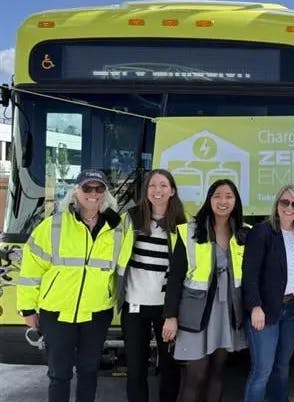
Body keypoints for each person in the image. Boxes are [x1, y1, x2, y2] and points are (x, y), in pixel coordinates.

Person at [16, 169, 123, 402]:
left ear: (106, 193)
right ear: (76, 191)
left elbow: (122, 270)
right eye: (87, 188)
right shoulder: (53, 225)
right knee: (59, 374)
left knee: (89, 371)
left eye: (99, 189)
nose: (93, 194)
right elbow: (31, 270)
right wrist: (27, 308)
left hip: (96, 314)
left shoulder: (117, 230)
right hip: (56, 313)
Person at [162, 179, 248, 402]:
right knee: (195, 376)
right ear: (209, 199)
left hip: (227, 314)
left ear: (236, 201)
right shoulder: (189, 232)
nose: (223, 201)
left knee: (217, 374)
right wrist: (171, 316)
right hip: (195, 314)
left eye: (229, 196)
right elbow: (175, 278)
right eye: (217, 195)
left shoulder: (245, 234)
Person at [118, 169, 186, 402]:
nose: (158, 191)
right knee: (135, 369)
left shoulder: (182, 225)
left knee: (170, 367)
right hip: (134, 306)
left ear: (172, 191)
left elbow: (180, 273)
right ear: (146, 191)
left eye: (163, 186)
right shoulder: (130, 219)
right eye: (152, 186)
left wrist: (173, 314)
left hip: (166, 310)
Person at [242, 184, 294, 402]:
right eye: (285, 202)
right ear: (277, 203)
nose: (289, 207)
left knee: (281, 367)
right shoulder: (262, 232)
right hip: (265, 310)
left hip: (290, 311)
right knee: (262, 371)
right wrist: (255, 307)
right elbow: (249, 274)